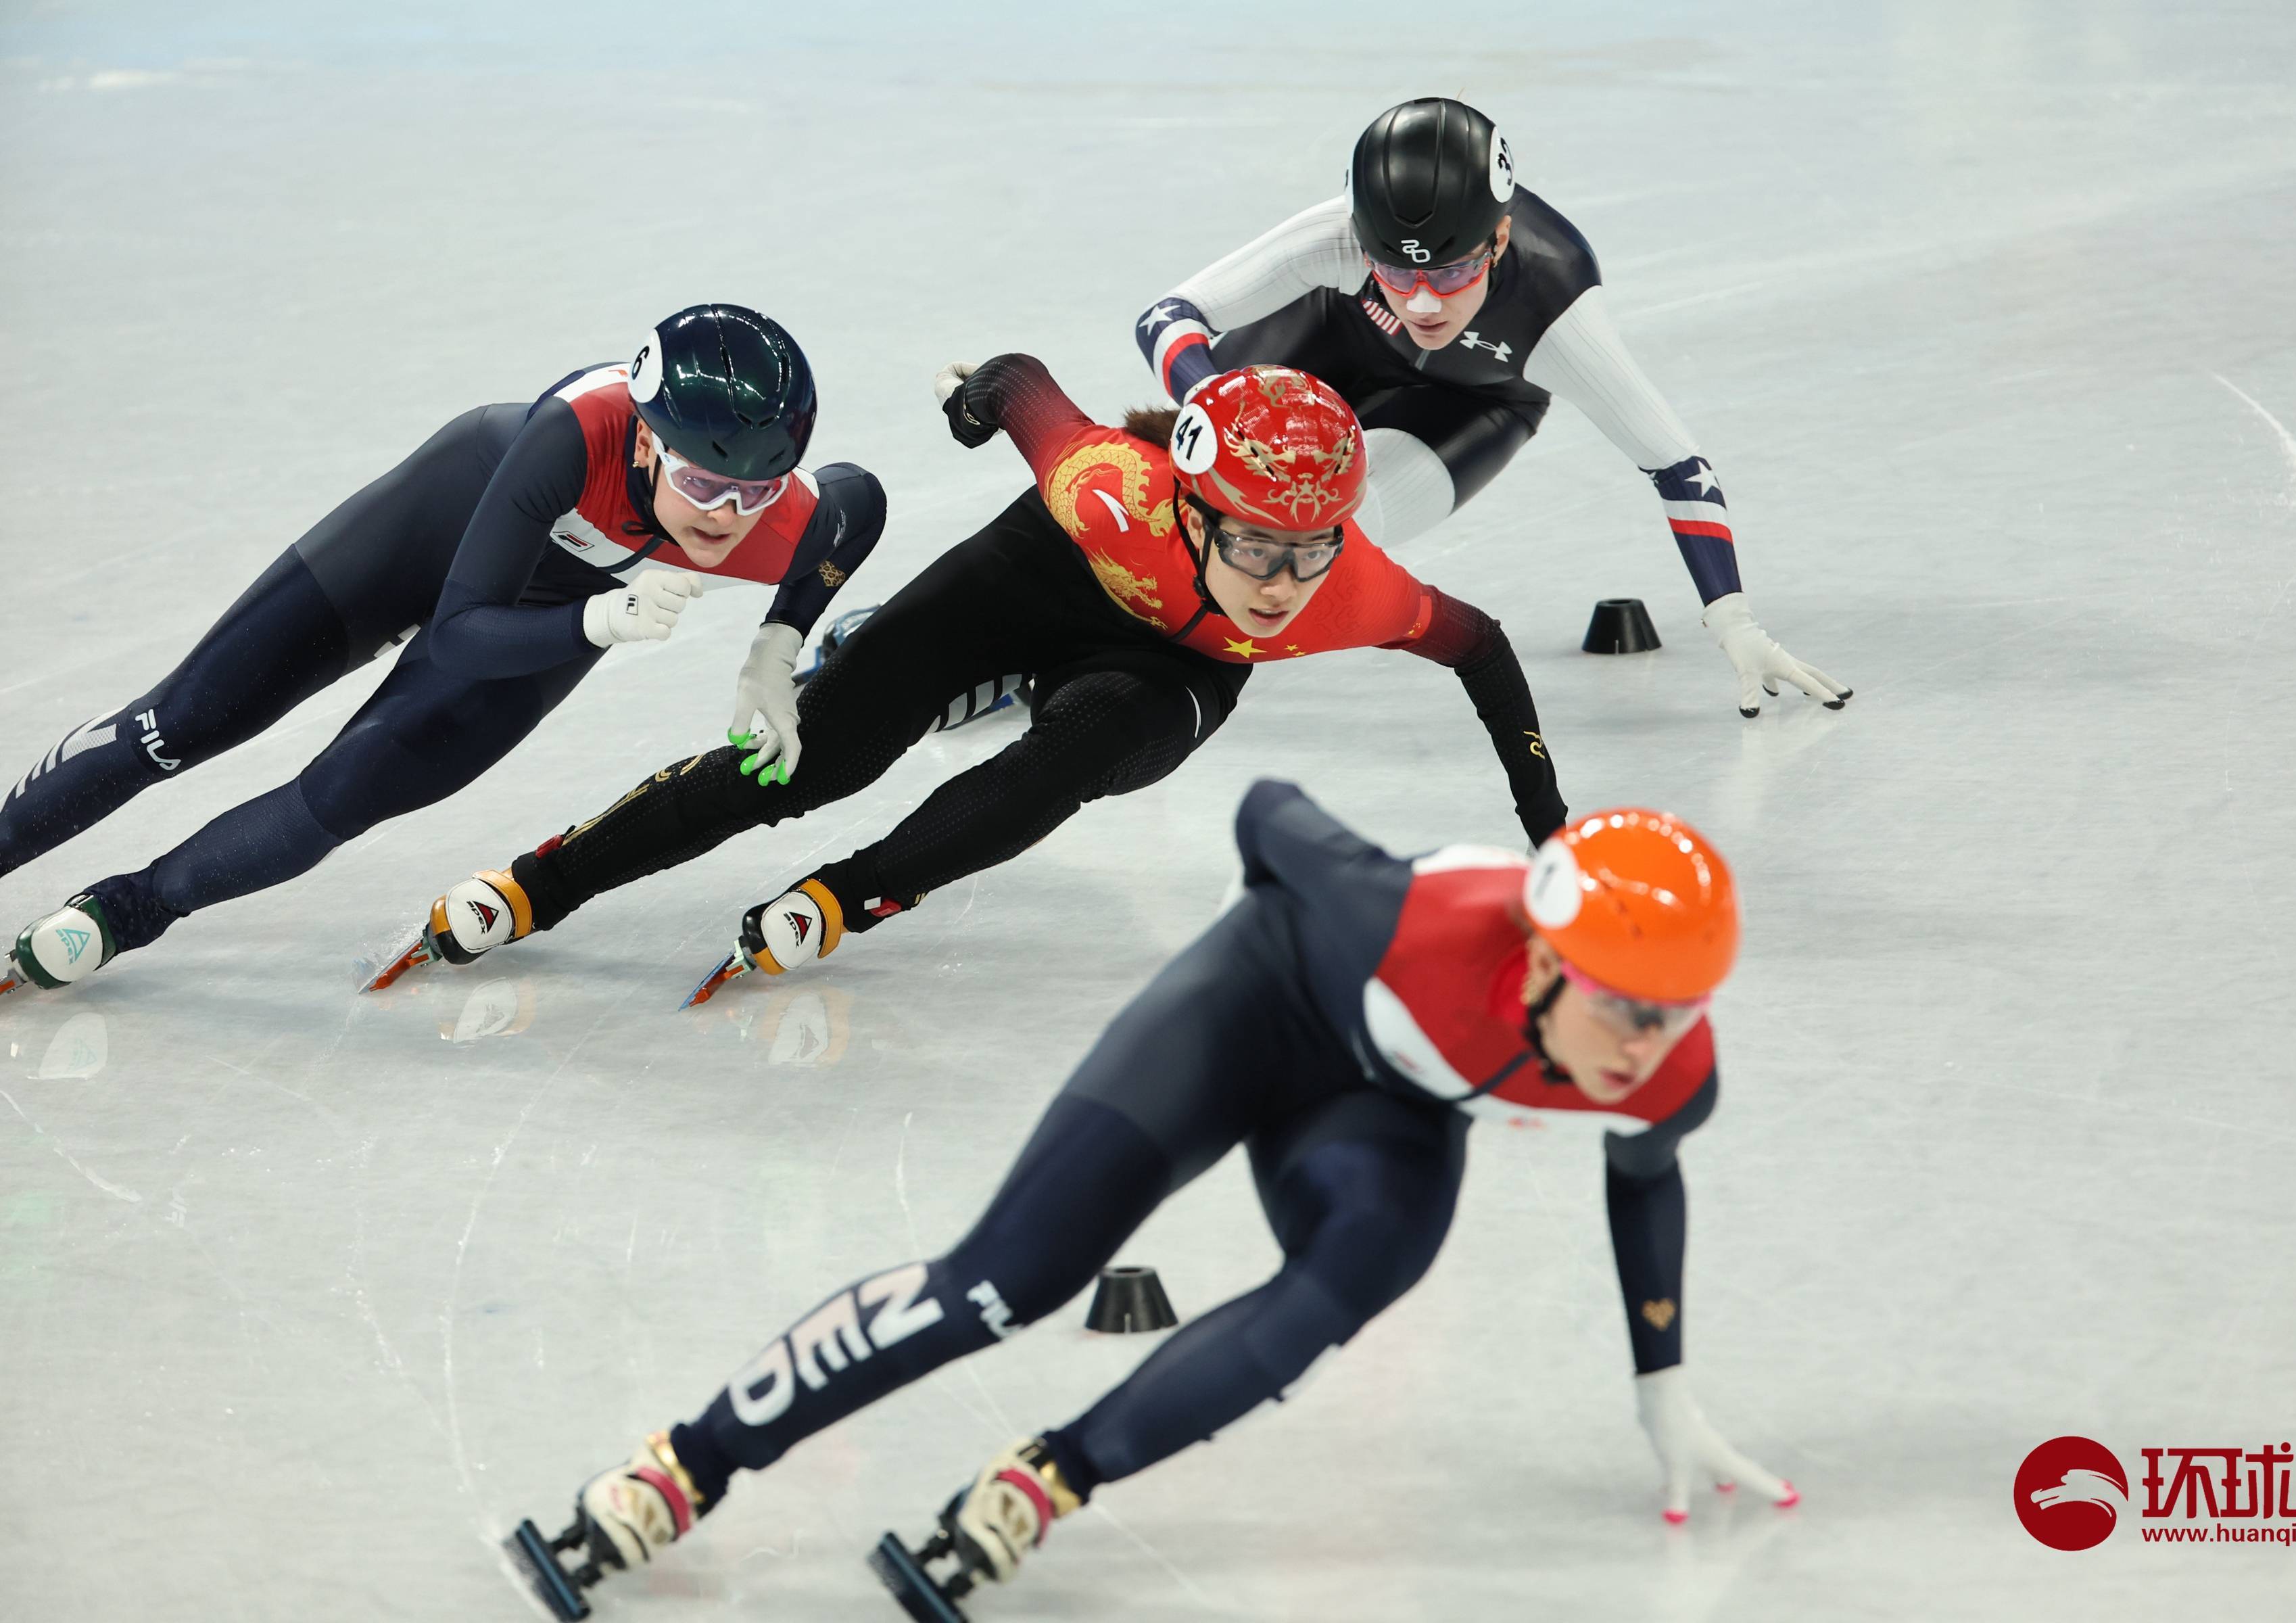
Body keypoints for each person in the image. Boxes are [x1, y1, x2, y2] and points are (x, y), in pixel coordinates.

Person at [507, 779, 1795, 1621]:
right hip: (1259, 1003)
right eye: (1629, 1008)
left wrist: (1661, 1383)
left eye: (1679, 1011)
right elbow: (1269, 813)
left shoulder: (1668, 1073)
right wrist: (1281, 977)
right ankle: (688, 1464)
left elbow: (1646, 1178)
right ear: (1545, 962)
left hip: (1382, 1107)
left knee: (1364, 1269)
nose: (1649, 1043)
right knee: (1010, 1279)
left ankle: (1044, 1482)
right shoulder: (1399, 921)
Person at [385, 356, 1569, 1002]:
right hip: (1040, 578)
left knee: (1083, 744)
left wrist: (1548, 831)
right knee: (809, 760)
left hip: (1167, 668)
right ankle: (549, 878)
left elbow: (1488, 650)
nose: (1281, 581)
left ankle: (859, 893)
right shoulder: (1107, 487)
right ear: (1190, 507)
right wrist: (972, 404)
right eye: (1256, 546)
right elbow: (1021, 387)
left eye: (1307, 551)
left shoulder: (1359, 593)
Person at [0, 305, 884, 997]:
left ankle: (128, 910)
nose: (723, 519)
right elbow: (462, 631)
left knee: (346, 791)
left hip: (555, 607)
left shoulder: (775, 516)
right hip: (439, 531)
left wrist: (776, 646)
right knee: (180, 723)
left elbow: (860, 502)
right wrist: (599, 625)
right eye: (701, 483)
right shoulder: (576, 433)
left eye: (753, 492)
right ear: (647, 440)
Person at [1134, 95, 1849, 720]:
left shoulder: (1557, 308)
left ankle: (1148, 655)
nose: (1420, 302)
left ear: (1500, 238)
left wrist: (1735, 620)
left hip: (1472, 402)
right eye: (1395, 271)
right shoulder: (1342, 237)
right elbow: (1168, 316)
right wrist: (1212, 402)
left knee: (1328, 530)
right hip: (1330, 333)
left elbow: (1677, 465)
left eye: (1450, 271)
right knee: (1171, 477)